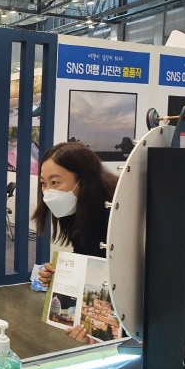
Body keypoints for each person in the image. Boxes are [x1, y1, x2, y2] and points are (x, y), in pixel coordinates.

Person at [32, 142, 118, 344]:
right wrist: (60, 276)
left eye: (55, 182)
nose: (47, 192)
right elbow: (84, 256)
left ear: (83, 180)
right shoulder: (75, 211)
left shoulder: (115, 211)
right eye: (43, 183)